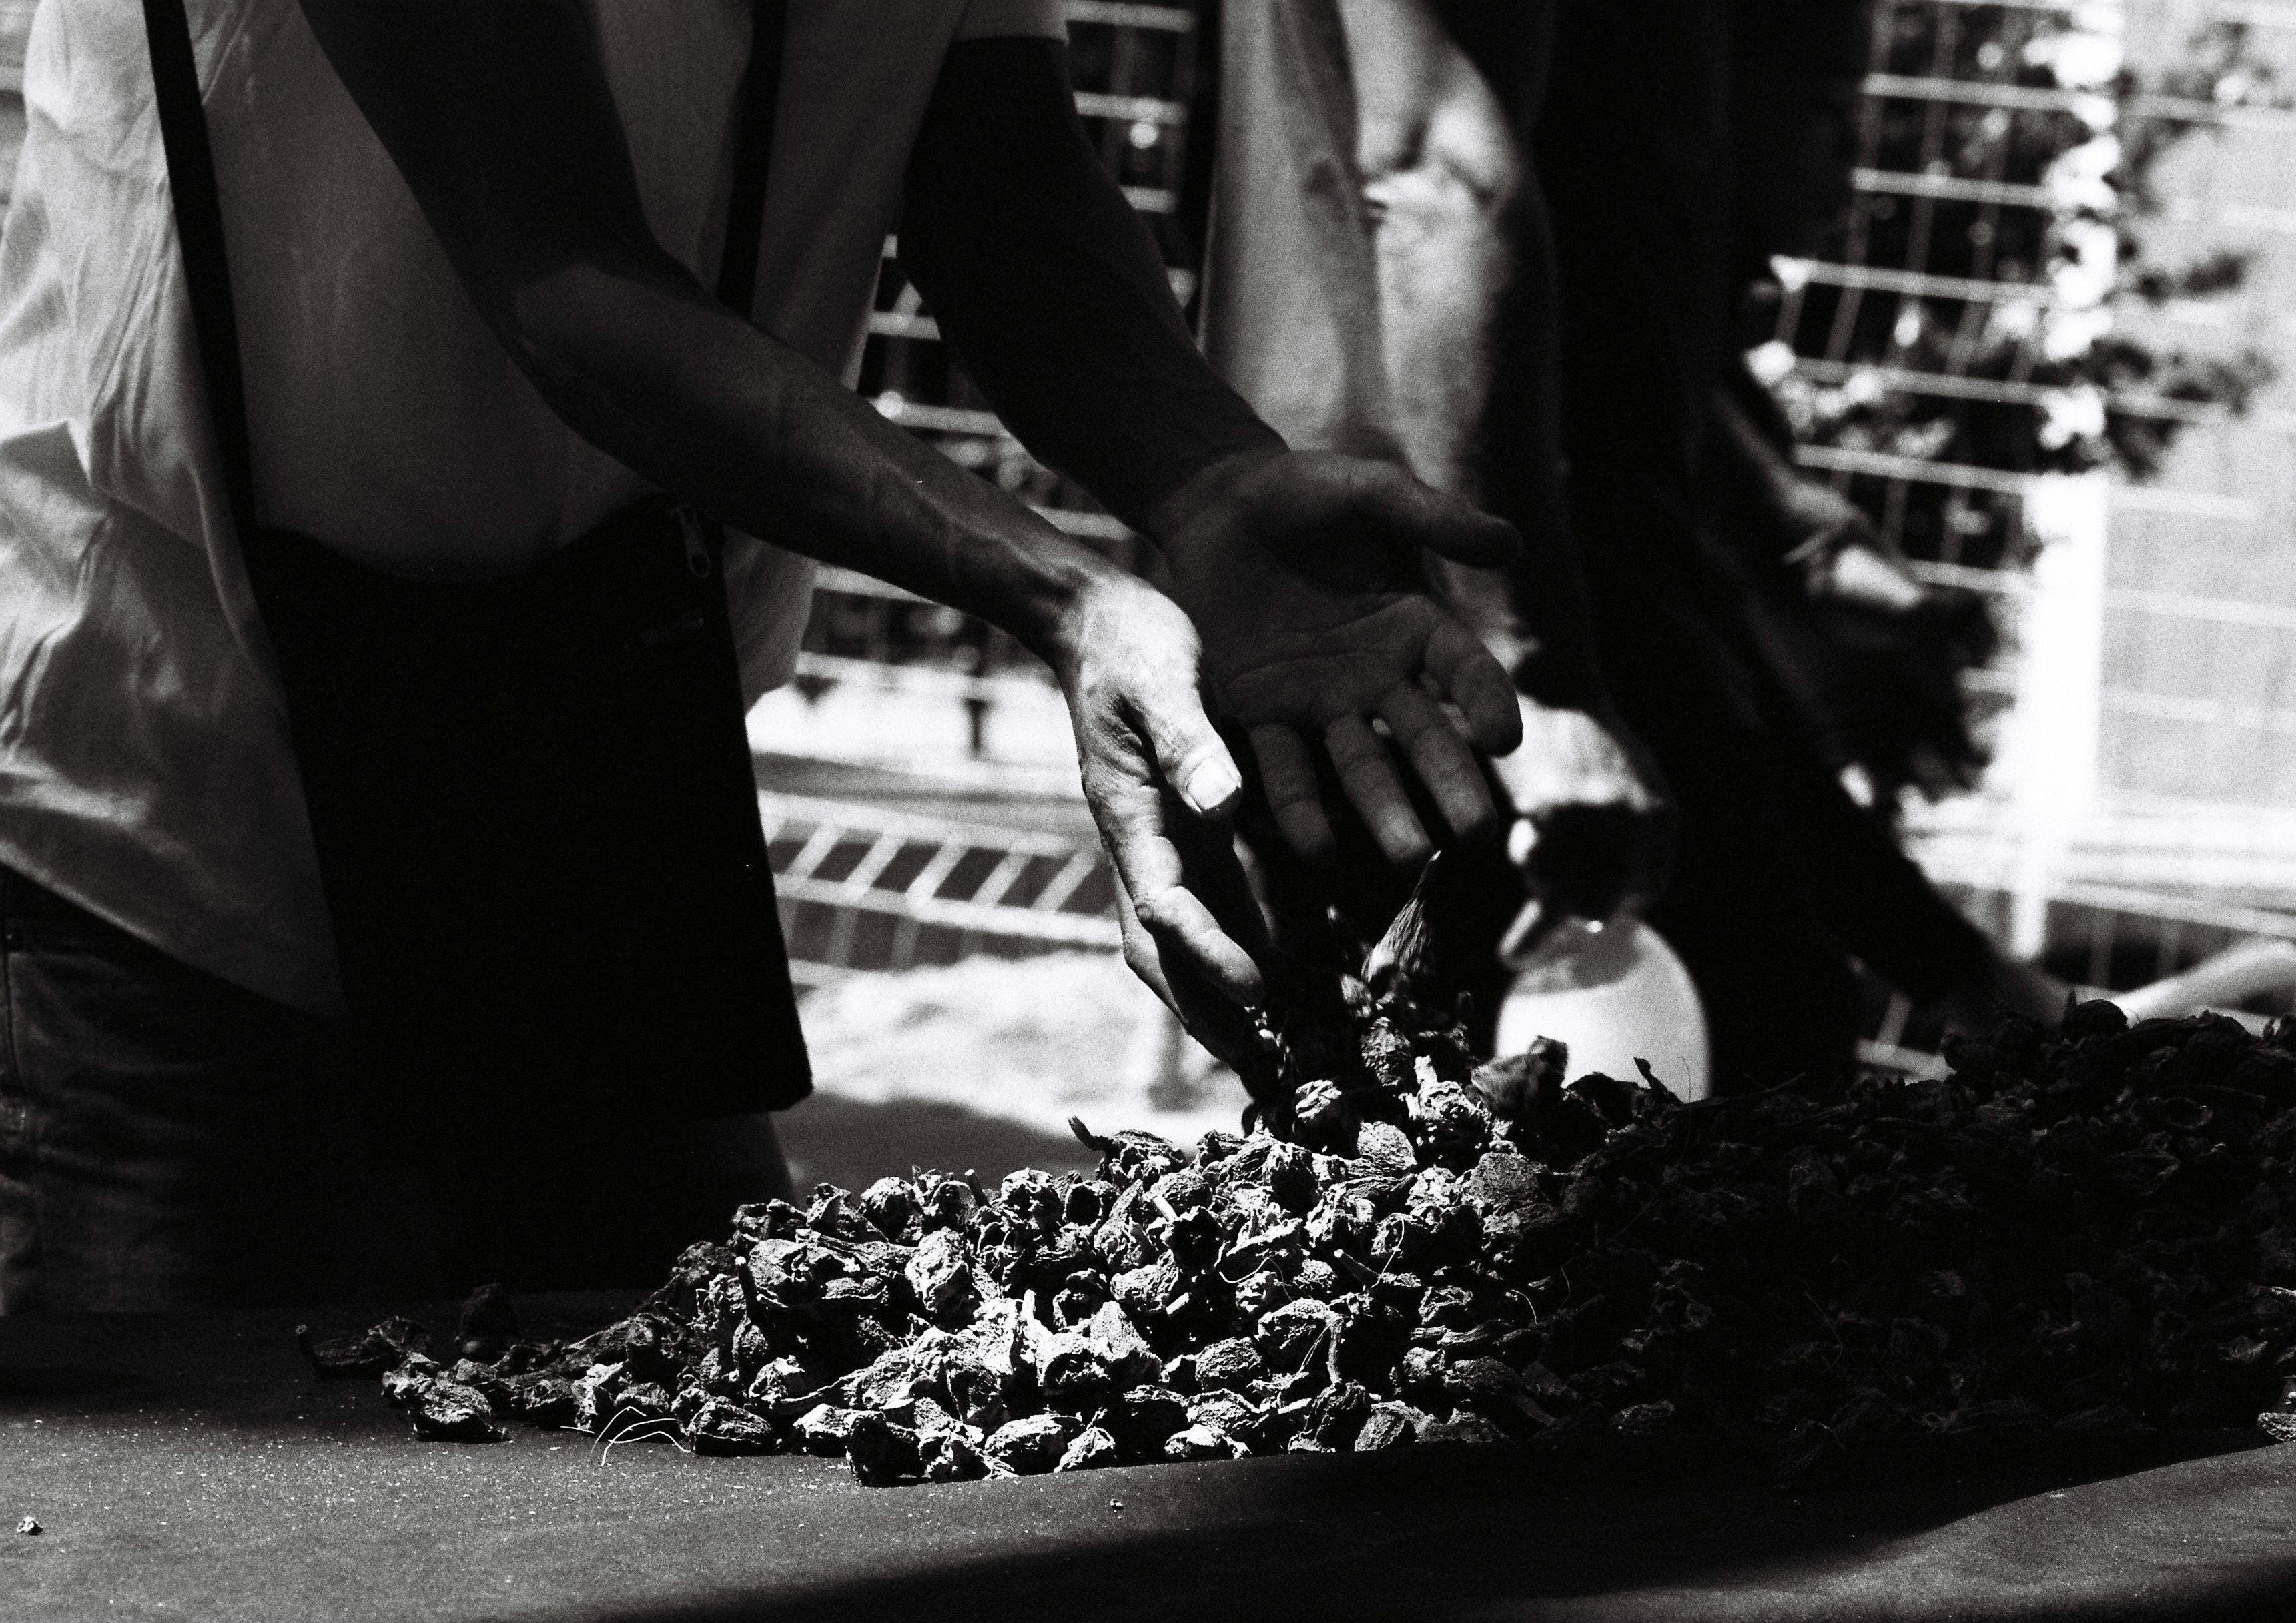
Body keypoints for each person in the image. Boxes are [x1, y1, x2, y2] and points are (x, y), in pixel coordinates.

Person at [0, 0, 1525, 1310]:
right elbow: (559, 272)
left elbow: (991, 170)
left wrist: (1205, 483)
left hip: (609, 792)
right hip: (178, 820)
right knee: (210, 1499)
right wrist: (1064, 594)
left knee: (667, 1460)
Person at [1206, 0, 2064, 1093]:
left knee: (1769, 1047)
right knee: (1692, 1094)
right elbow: (1433, 176)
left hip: (1521, 578)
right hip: (1432, 607)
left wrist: (1783, 535)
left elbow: (1595, 214)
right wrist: (1532, 676)